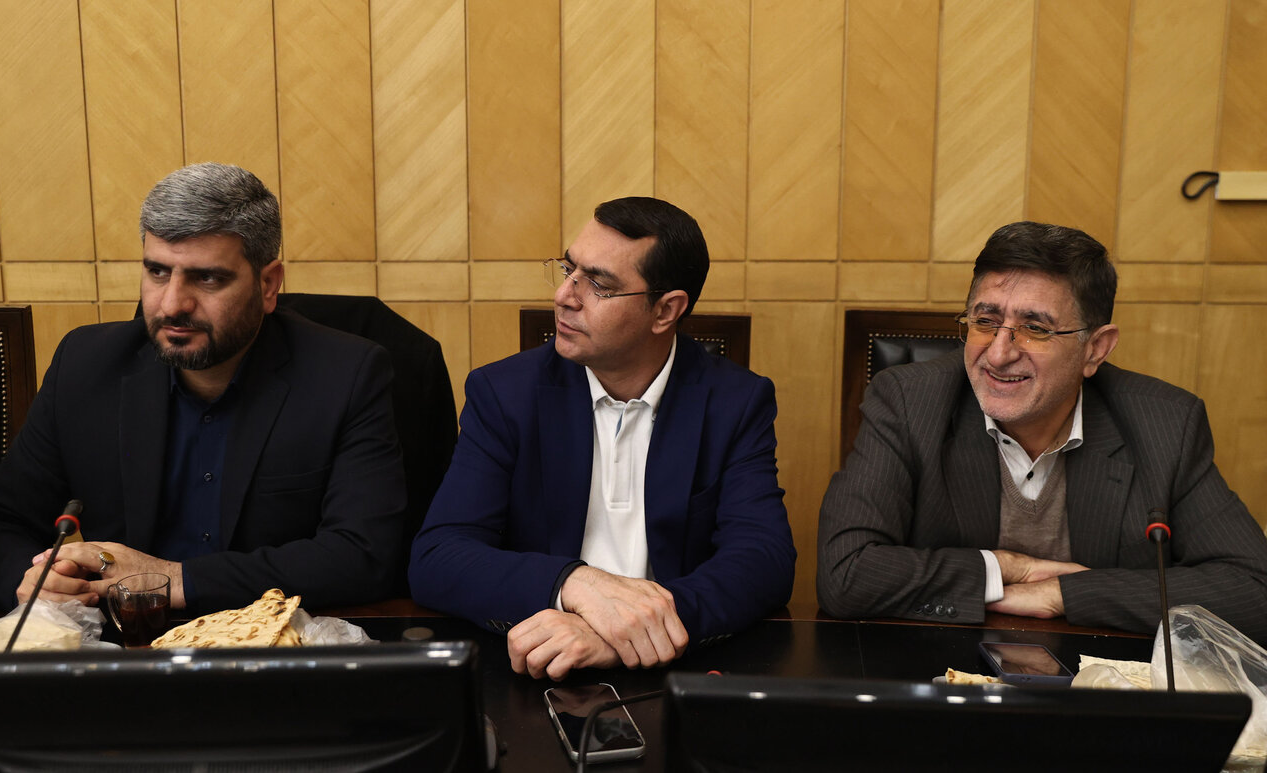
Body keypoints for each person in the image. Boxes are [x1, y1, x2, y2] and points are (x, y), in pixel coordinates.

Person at [0, 163, 407, 615]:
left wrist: (179, 579)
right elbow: (1, 522)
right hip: (127, 643)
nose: (172, 304)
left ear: (268, 284)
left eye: (207, 278)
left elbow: (364, 554)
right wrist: (32, 581)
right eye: (157, 272)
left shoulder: (346, 375)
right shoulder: (85, 365)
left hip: (280, 643)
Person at [817, 221, 1267, 643]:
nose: (998, 355)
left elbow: (1254, 589)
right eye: (985, 321)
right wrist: (1006, 568)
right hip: (941, 667)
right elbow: (845, 574)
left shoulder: (1165, 424)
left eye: (1034, 328)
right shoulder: (909, 402)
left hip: (1098, 680)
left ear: (1095, 349)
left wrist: (1063, 594)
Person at [409, 197, 796, 680]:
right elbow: (438, 556)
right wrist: (574, 583)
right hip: (538, 664)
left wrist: (623, 633)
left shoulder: (735, 402)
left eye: (598, 284)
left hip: (679, 673)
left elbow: (763, 560)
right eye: (568, 269)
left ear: (666, 310)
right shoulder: (505, 393)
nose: (564, 296)